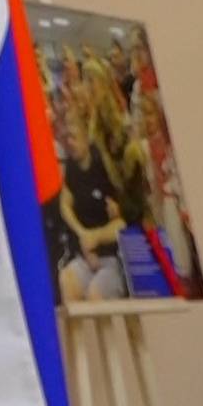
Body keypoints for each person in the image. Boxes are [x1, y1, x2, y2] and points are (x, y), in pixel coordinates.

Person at [58, 112, 127, 301]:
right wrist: (82, 234)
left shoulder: (104, 169)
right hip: (85, 256)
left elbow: (122, 223)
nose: (70, 143)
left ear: (86, 138)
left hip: (111, 258)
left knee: (95, 293)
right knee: (67, 280)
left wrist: (95, 237)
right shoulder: (72, 167)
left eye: (74, 137)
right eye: (67, 138)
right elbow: (65, 205)